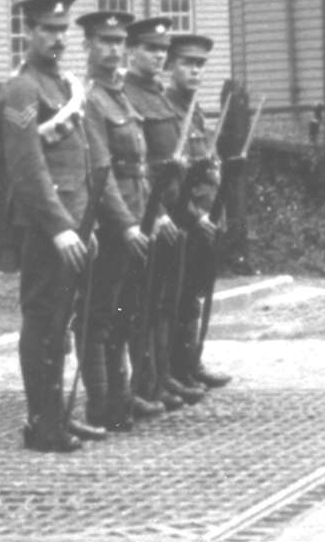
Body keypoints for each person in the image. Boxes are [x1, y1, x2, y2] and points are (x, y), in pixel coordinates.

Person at [0, 0, 96, 453]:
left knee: (61, 320)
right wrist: (58, 226)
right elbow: (27, 169)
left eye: (62, 30)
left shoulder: (63, 85)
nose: (57, 39)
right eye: (47, 30)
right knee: (43, 320)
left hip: (74, 223)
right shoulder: (22, 90)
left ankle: (58, 417)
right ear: (28, 33)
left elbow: (83, 159)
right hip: (45, 226)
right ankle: (42, 422)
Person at [74, 10, 153, 434]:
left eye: (120, 41)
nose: (115, 49)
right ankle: (101, 404)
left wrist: (143, 220)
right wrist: (124, 224)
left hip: (134, 221)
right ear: (87, 46)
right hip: (108, 226)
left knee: (125, 312)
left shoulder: (120, 97)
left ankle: (120, 397)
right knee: (98, 314)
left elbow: (138, 168)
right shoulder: (88, 101)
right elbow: (100, 175)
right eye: (105, 41)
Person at [120, 20, 203, 411]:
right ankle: (145, 383)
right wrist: (157, 215)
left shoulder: (163, 98)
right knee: (143, 303)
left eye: (161, 49)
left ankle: (162, 376)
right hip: (150, 213)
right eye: (149, 48)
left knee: (165, 301)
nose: (158, 55)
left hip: (174, 211)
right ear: (131, 51)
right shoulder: (127, 96)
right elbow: (142, 165)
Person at [165, 33, 233, 392]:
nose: (194, 71)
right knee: (175, 296)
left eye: (199, 65)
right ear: (169, 66)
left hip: (204, 216)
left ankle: (191, 363)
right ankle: (174, 370)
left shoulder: (197, 112)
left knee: (193, 293)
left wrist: (214, 211)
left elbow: (210, 164)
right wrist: (195, 214)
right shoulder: (168, 109)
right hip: (182, 218)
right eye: (186, 64)